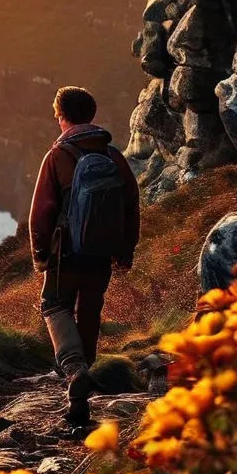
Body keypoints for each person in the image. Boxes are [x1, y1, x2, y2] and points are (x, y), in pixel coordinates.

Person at [29, 85, 140, 425]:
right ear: (91, 115)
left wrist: (40, 253)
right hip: (102, 251)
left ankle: (75, 368)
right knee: (89, 310)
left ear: (61, 116)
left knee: (55, 304)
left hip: (66, 253)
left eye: (56, 115)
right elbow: (131, 206)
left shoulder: (58, 157)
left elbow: (42, 211)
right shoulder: (113, 156)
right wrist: (125, 251)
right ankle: (83, 384)